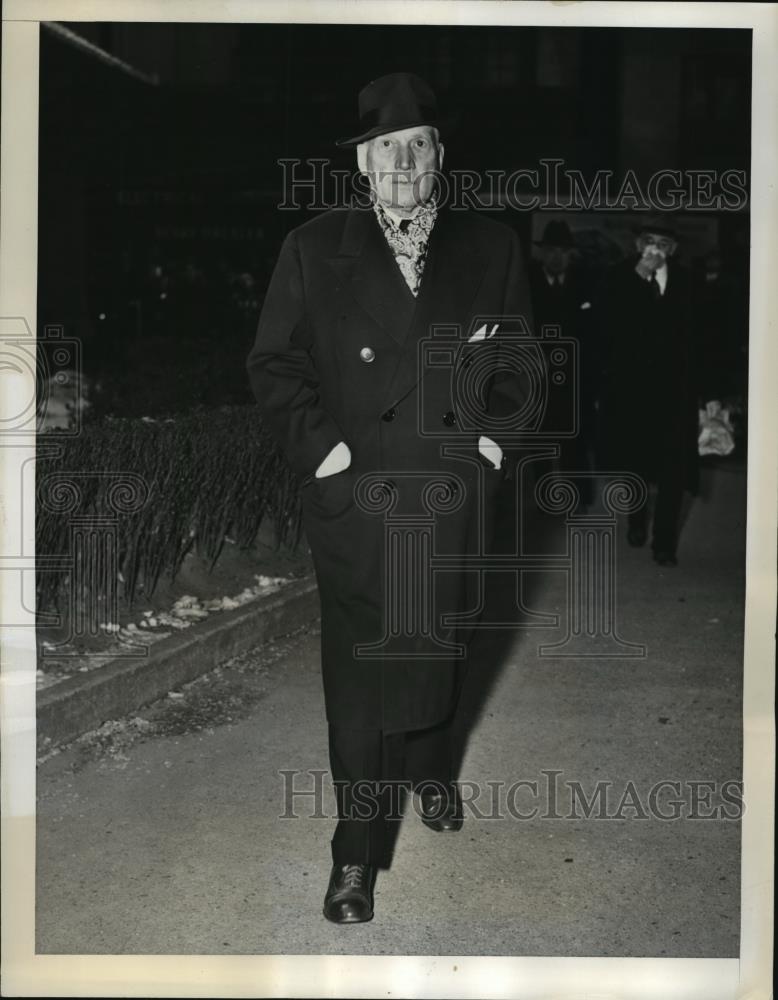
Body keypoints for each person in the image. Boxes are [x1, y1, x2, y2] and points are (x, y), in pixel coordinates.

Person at [246, 72, 533, 923]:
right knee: (363, 677)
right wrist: (323, 453)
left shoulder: (492, 248)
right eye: (386, 150)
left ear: (439, 157)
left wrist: (491, 442)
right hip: (358, 496)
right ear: (363, 166)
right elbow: (274, 362)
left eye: (419, 145)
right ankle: (356, 856)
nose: (403, 162)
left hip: (447, 494)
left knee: (439, 651)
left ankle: (435, 771)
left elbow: (519, 363)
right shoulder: (312, 246)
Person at [596, 219, 699, 567]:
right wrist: (637, 277)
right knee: (636, 465)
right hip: (633, 391)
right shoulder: (618, 276)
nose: (656, 249)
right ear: (639, 245)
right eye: (650, 242)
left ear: (673, 249)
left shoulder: (688, 280)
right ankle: (637, 522)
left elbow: (700, 336)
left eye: (664, 243)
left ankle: (664, 543)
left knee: (674, 471)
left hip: (676, 393)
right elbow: (607, 325)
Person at [528, 219, 597, 506]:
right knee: (540, 440)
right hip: (538, 377)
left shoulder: (586, 283)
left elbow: (596, 333)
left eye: (563, 251)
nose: (557, 256)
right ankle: (544, 498)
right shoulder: (527, 283)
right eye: (551, 250)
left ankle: (579, 497)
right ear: (542, 253)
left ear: (571, 254)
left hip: (575, 377)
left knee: (575, 438)